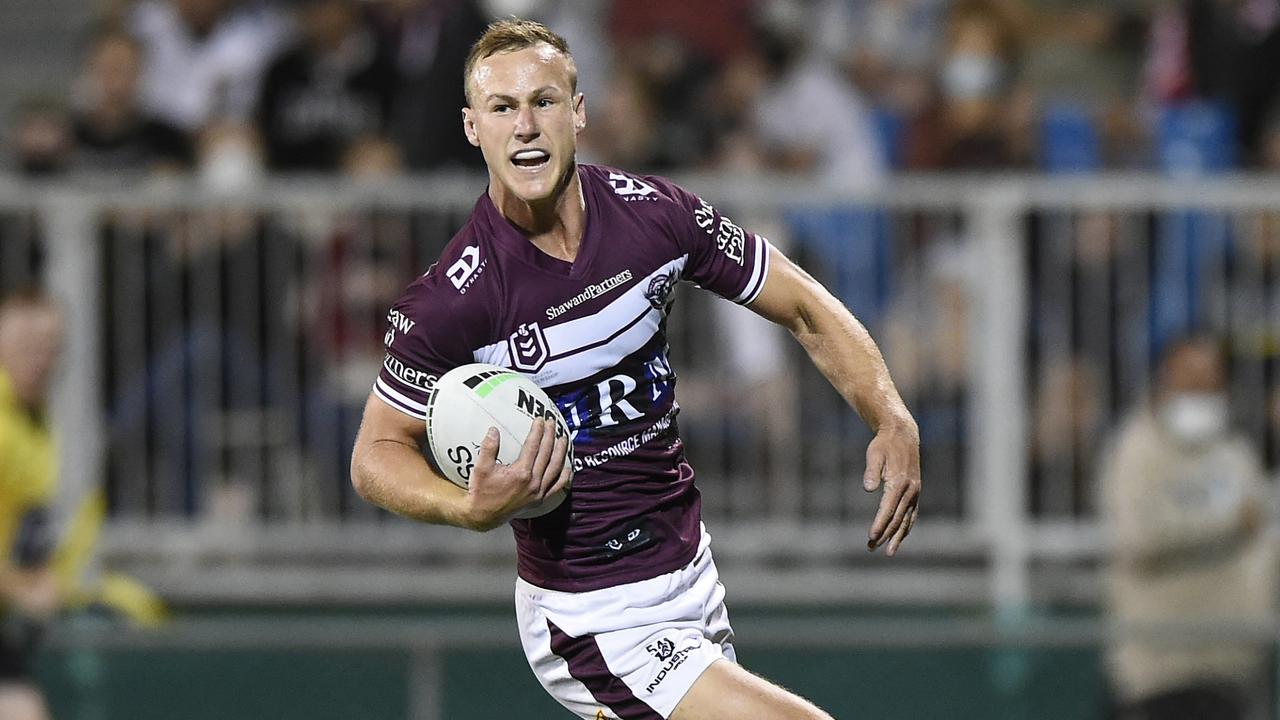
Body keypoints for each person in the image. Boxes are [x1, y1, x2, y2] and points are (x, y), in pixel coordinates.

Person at [350, 19, 921, 720]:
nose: (526, 126)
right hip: (593, 615)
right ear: (473, 128)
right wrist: (461, 508)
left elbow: (802, 304)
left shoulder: (656, 217)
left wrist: (888, 413)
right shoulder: (453, 299)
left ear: (580, 113)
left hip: (691, 574)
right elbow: (375, 453)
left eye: (545, 101)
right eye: (503, 108)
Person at [1101, 335, 1275, 720]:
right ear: (1164, 380)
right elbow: (1139, 536)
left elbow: (1260, 535)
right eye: (1189, 380)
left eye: (1209, 381)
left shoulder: (1235, 453)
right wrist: (1228, 523)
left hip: (1232, 670)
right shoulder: (1138, 450)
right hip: (1160, 672)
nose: (1199, 392)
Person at [0, 286, 65, 720]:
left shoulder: (34, 419)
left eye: (51, 347)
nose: (40, 358)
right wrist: (23, 589)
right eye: (26, 345)